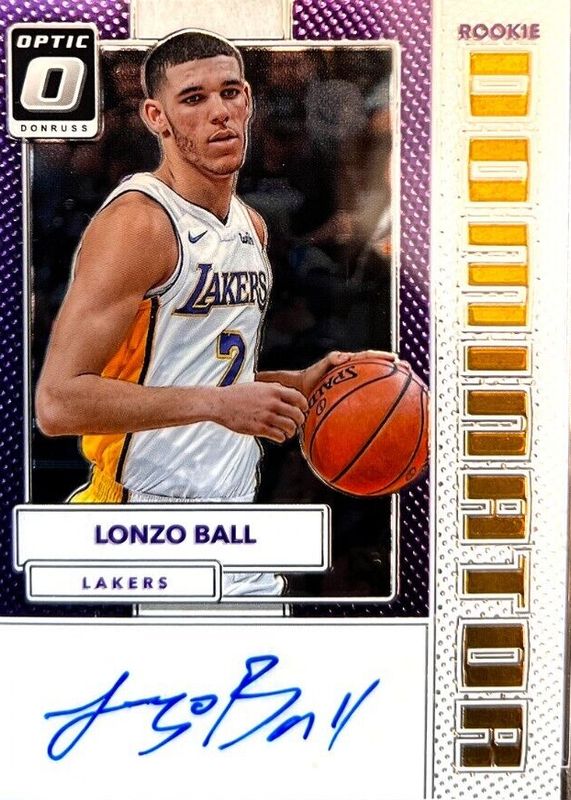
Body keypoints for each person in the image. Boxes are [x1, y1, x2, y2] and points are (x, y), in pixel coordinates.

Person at [35, 30, 391, 598]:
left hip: (230, 522)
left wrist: (296, 383)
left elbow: (204, 376)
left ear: (248, 100)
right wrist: (217, 404)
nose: (219, 112)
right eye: (193, 98)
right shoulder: (139, 223)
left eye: (229, 93)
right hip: (139, 521)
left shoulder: (251, 226)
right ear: (156, 117)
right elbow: (58, 403)